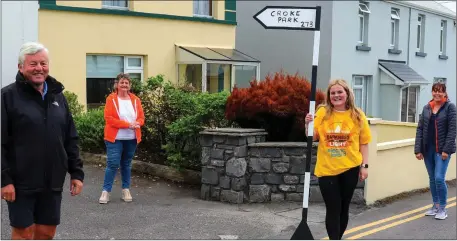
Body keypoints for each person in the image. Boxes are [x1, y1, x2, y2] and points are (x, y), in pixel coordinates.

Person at [1, 42, 84, 239]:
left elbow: (70, 137)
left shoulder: (58, 97)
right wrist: (4, 180)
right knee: (23, 233)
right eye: (33, 64)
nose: (39, 68)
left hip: (52, 181)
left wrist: (76, 173)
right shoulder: (7, 97)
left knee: (47, 232)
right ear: (21, 67)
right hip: (21, 183)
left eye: (43, 63)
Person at [304, 79, 371, 240]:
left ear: (347, 94)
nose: (336, 95)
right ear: (329, 96)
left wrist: (365, 166)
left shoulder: (358, 115)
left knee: (343, 208)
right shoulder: (322, 113)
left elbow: (364, 143)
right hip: (327, 170)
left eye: (340, 92)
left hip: (350, 168)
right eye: (333, 93)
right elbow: (311, 138)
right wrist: (308, 125)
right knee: (333, 208)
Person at [99, 73, 145, 204]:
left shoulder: (135, 100)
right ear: (117, 85)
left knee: (126, 164)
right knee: (113, 164)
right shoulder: (111, 99)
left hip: (132, 138)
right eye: (122, 82)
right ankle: (105, 192)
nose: (124, 85)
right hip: (115, 138)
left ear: (130, 85)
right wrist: (127, 124)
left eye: (127, 83)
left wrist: (138, 123)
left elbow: (141, 117)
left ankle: (126, 190)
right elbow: (109, 119)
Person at [414, 82, 456, 220]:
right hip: (428, 149)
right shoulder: (427, 108)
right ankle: (435, 205)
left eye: (440, 91)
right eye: (434, 91)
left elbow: (452, 130)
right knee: (432, 178)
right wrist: (418, 150)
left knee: (439, 178)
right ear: (432, 92)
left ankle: (443, 208)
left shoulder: (450, 108)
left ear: (445, 93)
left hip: (442, 149)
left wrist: (446, 150)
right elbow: (420, 129)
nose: (437, 93)